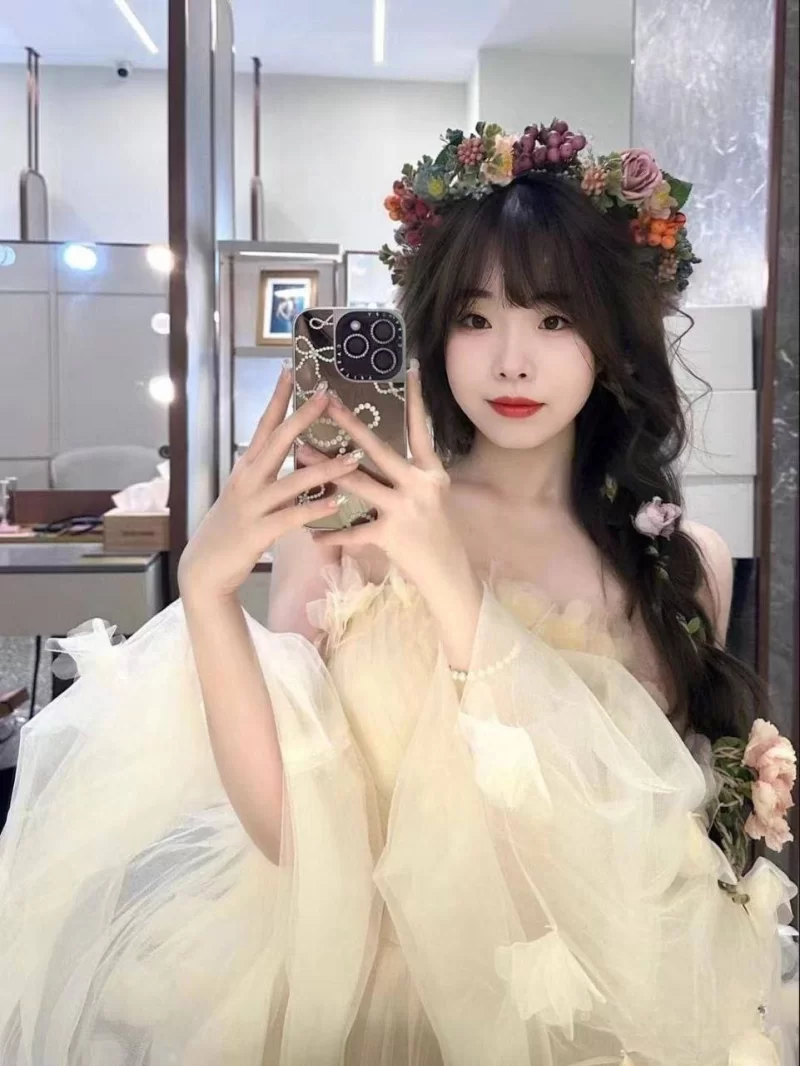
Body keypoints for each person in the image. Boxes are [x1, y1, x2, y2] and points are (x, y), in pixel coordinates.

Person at [0, 120, 796, 1066]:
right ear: (433, 331)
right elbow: (294, 837)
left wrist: (447, 578)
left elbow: (630, 838)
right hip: (376, 1003)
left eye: (554, 320)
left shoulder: (683, 561)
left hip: (599, 1015)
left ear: (613, 335)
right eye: (475, 318)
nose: (511, 360)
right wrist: (207, 594)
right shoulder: (344, 532)